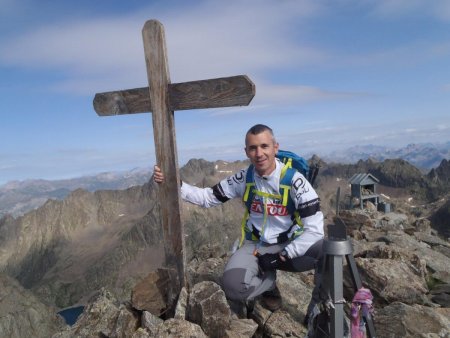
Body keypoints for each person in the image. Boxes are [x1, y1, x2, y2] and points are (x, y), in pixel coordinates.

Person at [153, 124, 324, 316]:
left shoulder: (295, 181)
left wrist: (280, 257)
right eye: (253, 148)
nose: (259, 153)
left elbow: (315, 230)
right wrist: (176, 183)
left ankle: (319, 310)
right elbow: (208, 197)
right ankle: (269, 284)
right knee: (233, 287)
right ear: (246, 152)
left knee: (328, 250)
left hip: (289, 243)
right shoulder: (244, 177)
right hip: (256, 246)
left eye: (264, 146)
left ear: (275, 147)